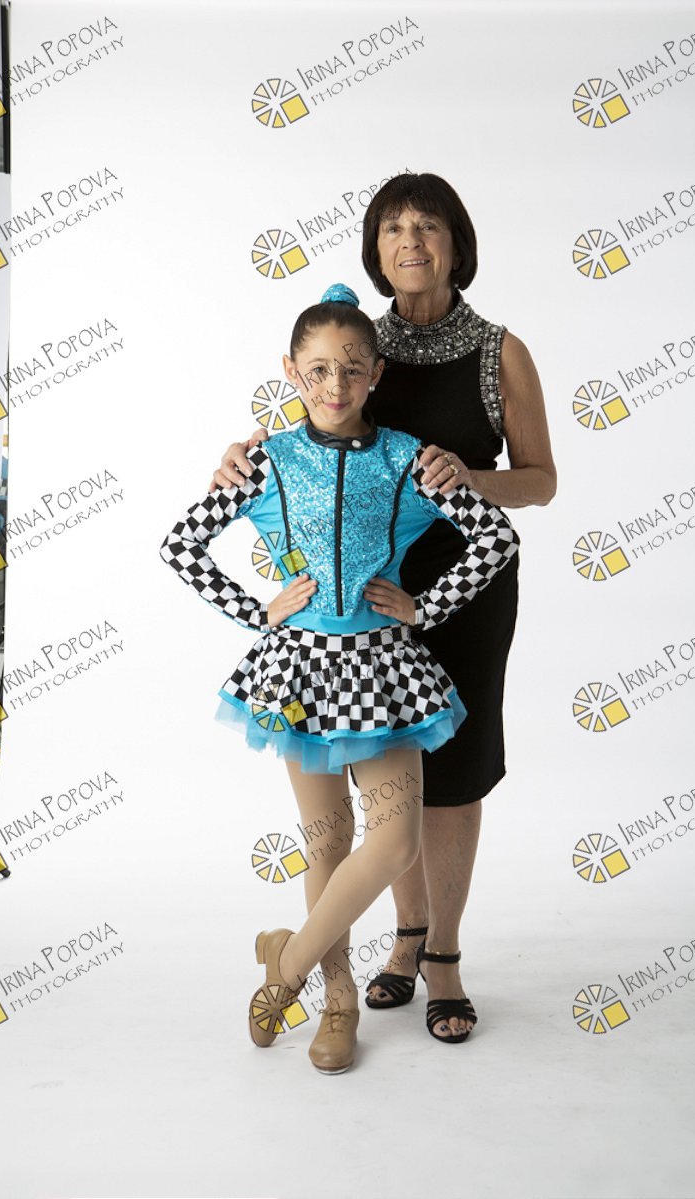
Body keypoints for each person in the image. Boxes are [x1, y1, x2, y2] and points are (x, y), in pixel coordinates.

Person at [210, 173, 557, 1041]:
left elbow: (542, 480)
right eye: (393, 228)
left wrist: (469, 481)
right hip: (353, 609)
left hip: (459, 590)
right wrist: (237, 463)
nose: (411, 242)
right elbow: (314, 434)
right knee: (381, 795)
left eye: (428, 226)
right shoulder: (363, 345)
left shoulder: (500, 352)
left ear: (457, 242)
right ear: (374, 249)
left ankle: (443, 954)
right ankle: (400, 941)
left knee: (455, 775)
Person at [160, 285, 520, 1071]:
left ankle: (284, 966)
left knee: (391, 843)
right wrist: (257, 611)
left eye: (352, 368)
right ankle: (337, 998)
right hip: (298, 670)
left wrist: (425, 606)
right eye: (318, 369)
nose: (334, 384)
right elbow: (181, 545)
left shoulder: (407, 458)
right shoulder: (267, 461)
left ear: (376, 373)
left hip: (383, 669)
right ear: (290, 371)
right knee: (326, 840)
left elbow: (496, 539)